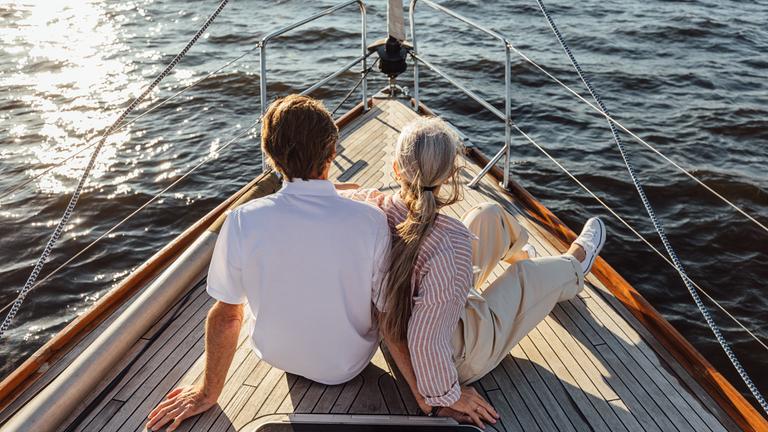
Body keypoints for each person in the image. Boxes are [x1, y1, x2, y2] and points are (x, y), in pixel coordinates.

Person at [340, 117, 606, 429]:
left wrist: (338, 188)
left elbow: (328, 197)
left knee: (487, 214)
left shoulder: (370, 205)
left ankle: (517, 252)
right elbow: (426, 341)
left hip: (425, 314)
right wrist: (446, 395)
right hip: (452, 354)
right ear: (451, 175)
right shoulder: (451, 243)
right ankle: (574, 266)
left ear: (397, 169)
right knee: (527, 276)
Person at [146, 95, 390, 431]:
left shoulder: (243, 220)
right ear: (332, 153)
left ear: (272, 157)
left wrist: (207, 392)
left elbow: (228, 315)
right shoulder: (371, 221)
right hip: (347, 365)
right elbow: (388, 310)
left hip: (276, 356)